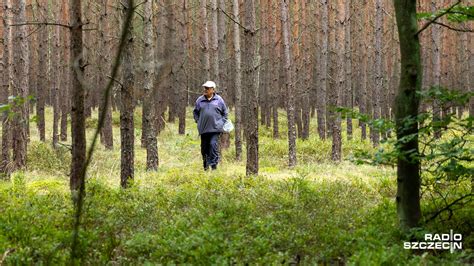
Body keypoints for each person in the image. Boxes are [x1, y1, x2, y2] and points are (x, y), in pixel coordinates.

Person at [193, 81, 228, 171]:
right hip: (204, 129)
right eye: (205, 88)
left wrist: (221, 123)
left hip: (215, 129)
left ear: (213, 89)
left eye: (207, 88)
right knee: (204, 148)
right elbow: (195, 112)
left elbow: (225, 113)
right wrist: (198, 121)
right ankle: (205, 166)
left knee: (213, 145)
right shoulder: (199, 100)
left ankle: (214, 166)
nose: (205, 90)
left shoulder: (219, 100)